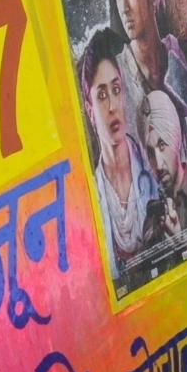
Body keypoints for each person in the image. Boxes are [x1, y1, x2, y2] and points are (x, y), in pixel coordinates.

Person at [78, 26, 164, 274]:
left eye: (116, 90)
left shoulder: (156, 169)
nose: (112, 106)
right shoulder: (91, 198)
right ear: (90, 110)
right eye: (101, 95)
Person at [140, 89, 187, 232]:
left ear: (176, 139)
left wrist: (181, 241)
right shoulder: (152, 218)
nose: (158, 165)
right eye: (150, 153)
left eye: (162, 145)